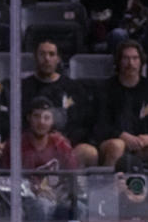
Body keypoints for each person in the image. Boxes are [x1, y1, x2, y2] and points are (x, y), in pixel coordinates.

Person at [21, 40, 98, 168]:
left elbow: (83, 122)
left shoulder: (74, 88)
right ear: (35, 57)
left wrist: (65, 141)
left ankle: (77, 188)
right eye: (42, 54)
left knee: (89, 152)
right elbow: (21, 121)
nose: (47, 59)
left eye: (51, 54)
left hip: (67, 147)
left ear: (58, 59)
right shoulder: (23, 87)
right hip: (33, 146)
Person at [94, 40, 148, 169]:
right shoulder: (105, 89)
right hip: (112, 141)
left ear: (141, 61)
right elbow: (100, 125)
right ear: (118, 61)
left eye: (135, 58)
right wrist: (121, 135)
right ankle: (109, 188)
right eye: (126, 58)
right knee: (117, 145)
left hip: (143, 144)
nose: (131, 64)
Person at [2, 96, 79, 222]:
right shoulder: (15, 145)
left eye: (46, 117)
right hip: (27, 201)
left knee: (80, 208)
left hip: (58, 199)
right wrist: (33, 190)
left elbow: (72, 176)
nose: (41, 122)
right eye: (37, 116)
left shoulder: (61, 144)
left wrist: (61, 195)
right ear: (29, 118)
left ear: (52, 120)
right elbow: (6, 181)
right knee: (41, 206)